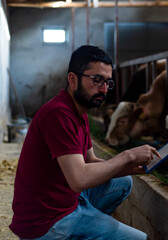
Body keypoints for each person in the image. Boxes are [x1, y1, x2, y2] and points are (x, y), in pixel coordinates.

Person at [10, 45, 159, 240]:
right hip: (46, 222)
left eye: (108, 82)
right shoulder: (58, 114)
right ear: (73, 79)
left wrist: (131, 167)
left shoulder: (79, 112)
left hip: (66, 201)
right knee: (139, 239)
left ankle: (88, 226)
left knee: (123, 181)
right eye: (97, 80)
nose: (104, 89)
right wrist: (127, 156)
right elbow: (79, 179)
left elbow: (89, 162)